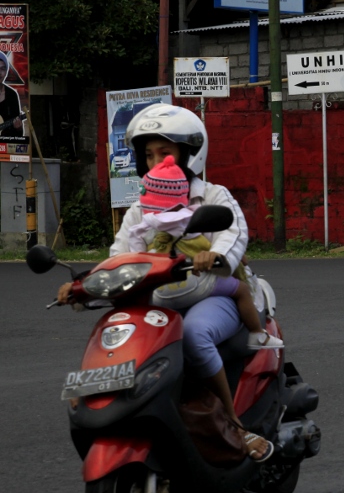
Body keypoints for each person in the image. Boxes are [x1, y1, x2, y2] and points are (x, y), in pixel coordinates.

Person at [57, 105, 273, 462]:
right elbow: (120, 257)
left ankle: (234, 424)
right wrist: (85, 286)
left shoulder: (214, 196)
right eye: (148, 154)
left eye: (165, 152)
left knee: (193, 334)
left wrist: (214, 258)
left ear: (190, 154)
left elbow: (234, 235)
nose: (156, 160)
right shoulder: (141, 208)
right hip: (160, 299)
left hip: (210, 293)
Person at [129, 153, 284, 351]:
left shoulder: (143, 221)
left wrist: (137, 263)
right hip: (196, 279)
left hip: (161, 288)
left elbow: (130, 248)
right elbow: (217, 237)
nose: (156, 160)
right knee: (241, 290)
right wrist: (221, 255)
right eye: (149, 154)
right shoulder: (190, 213)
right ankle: (257, 334)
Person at [0, 53, 24, 137]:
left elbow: (19, 134)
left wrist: (18, 128)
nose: (0, 73)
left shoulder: (12, 95)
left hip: (7, 144)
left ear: (6, 72)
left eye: (3, 68)